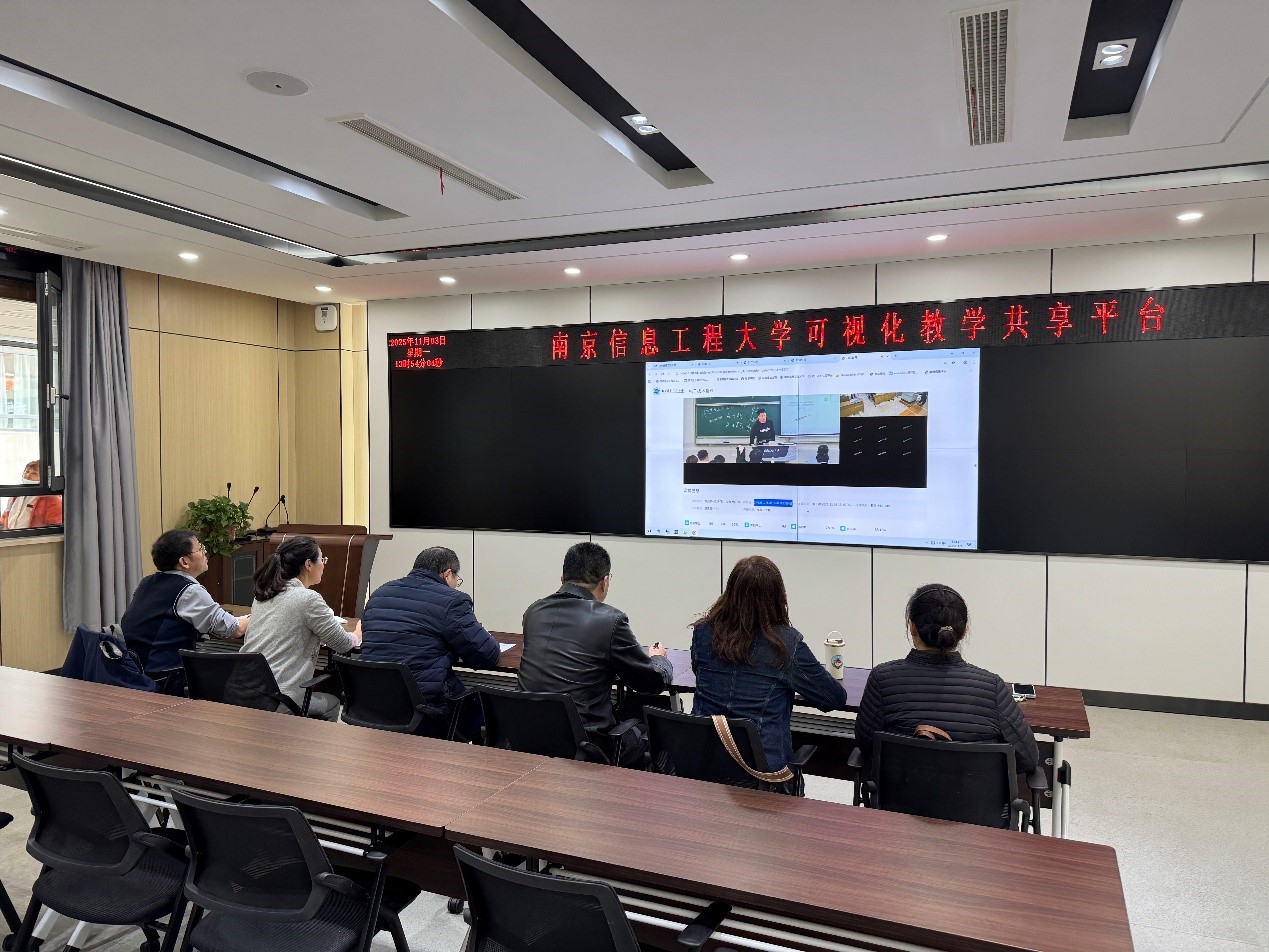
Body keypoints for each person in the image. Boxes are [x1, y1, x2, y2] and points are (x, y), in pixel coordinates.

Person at [854, 583, 1039, 774]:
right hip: (972, 794)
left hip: (896, 794)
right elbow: (1027, 759)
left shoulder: (882, 680)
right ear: (964, 630)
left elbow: (866, 745)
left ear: (912, 627)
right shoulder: (992, 688)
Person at [519, 542, 672, 767]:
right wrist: (659, 659)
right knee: (658, 726)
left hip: (527, 737)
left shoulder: (533, 612)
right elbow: (651, 682)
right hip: (586, 746)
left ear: (562, 579)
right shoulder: (610, 620)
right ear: (604, 581)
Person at [691, 556, 848, 773]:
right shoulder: (786, 645)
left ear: (730, 592)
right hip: (762, 775)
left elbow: (700, 673)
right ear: (777, 597)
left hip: (703, 767)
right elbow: (834, 698)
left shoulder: (703, 633)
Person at [360, 546, 501, 739]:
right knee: (489, 712)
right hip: (425, 710)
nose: (456, 585)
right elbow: (487, 655)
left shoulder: (380, 594)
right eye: (456, 580)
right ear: (447, 574)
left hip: (372, 703)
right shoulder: (453, 601)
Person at [240, 535, 361, 720]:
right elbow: (343, 644)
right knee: (332, 702)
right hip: (278, 699)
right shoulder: (308, 599)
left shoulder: (263, 596)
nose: (324, 565)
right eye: (322, 559)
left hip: (242, 693)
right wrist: (357, 634)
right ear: (308, 564)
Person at [121, 529, 249, 681]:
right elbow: (233, 629)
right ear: (184, 562)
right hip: (164, 677)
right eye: (200, 548)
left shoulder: (147, 582)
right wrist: (260, 615)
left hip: (134, 671)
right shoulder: (189, 590)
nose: (205, 552)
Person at [1, 460, 62, 529]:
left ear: (45, 477)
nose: (28, 475)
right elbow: (4, 517)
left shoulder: (51, 498)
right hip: (11, 535)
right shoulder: (14, 496)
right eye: (27, 471)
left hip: (34, 535)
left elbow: (55, 527)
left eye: (34, 473)